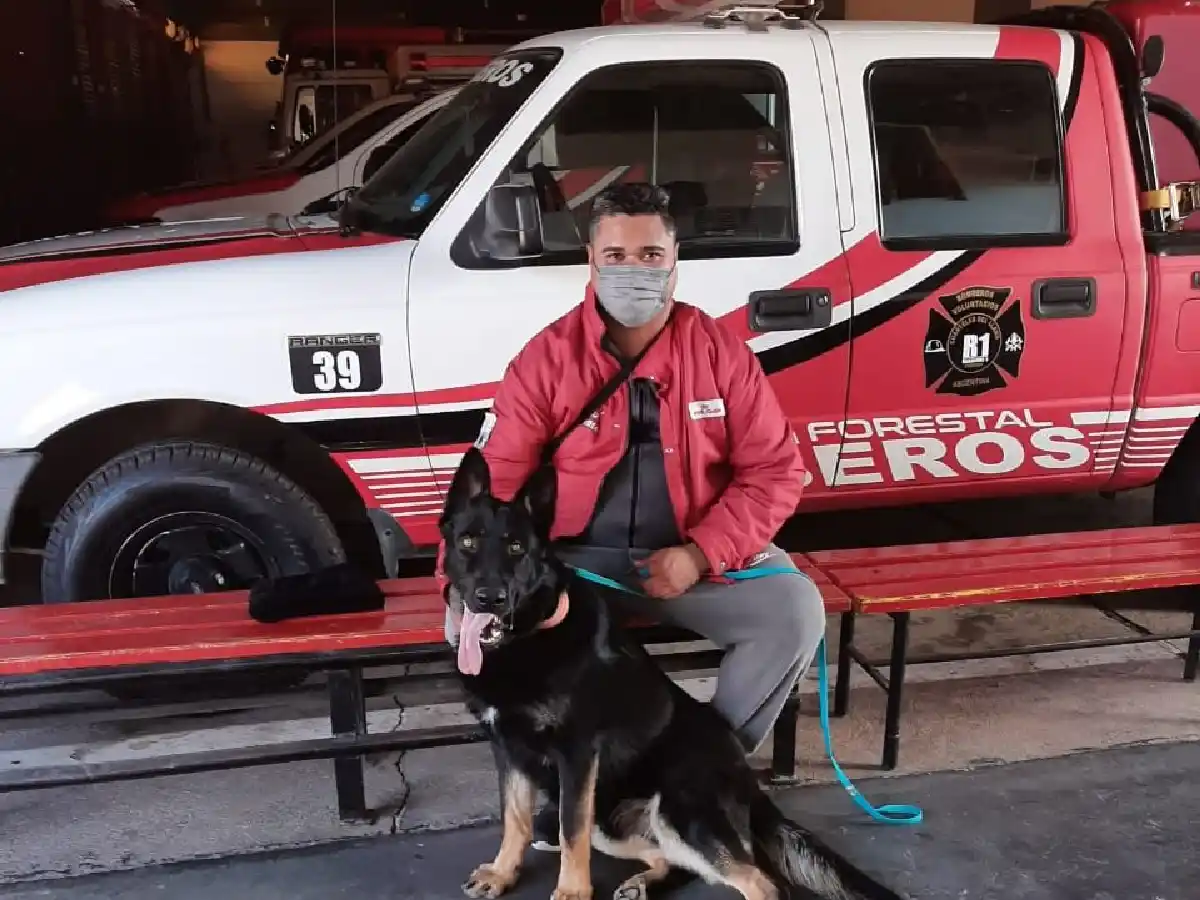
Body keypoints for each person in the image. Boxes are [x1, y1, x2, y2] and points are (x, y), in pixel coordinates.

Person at [437, 182, 825, 850]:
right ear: (591, 261)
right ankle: (569, 796)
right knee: (508, 635)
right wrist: (458, 585)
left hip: (693, 561)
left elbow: (777, 471)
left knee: (794, 614)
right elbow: (489, 488)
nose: (633, 270)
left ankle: (690, 784)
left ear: (676, 260)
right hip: (576, 571)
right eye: (616, 254)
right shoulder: (547, 359)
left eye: (650, 254)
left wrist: (701, 554)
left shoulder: (719, 351)